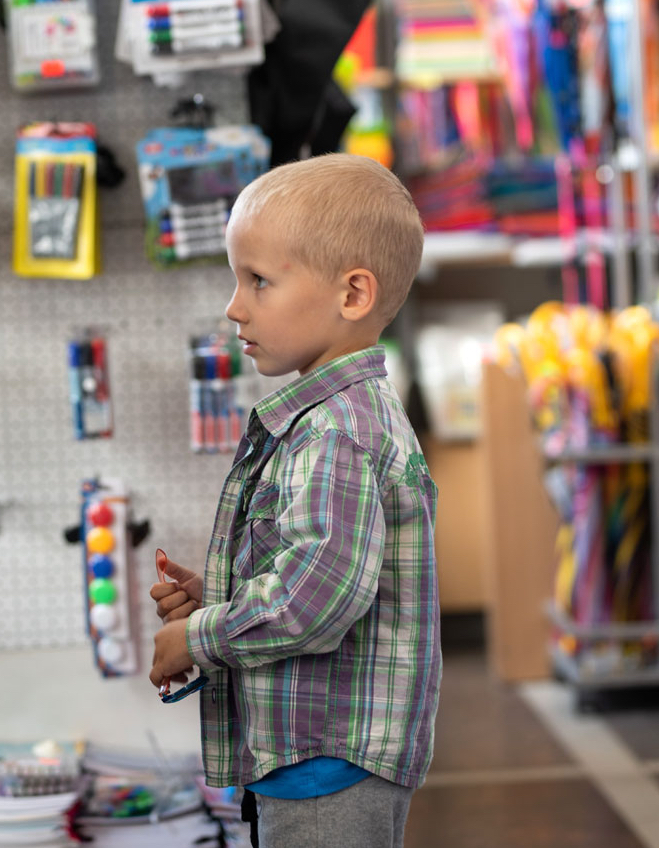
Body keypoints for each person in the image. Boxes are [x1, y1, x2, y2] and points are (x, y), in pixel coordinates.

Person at [148, 153, 440, 847]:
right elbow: (315, 567)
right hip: (317, 753)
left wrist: (198, 635)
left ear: (352, 295)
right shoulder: (333, 419)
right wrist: (218, 595)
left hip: (327, 761)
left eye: (259, 281)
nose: (234, 306)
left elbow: (313, 601)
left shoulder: (339, 431)